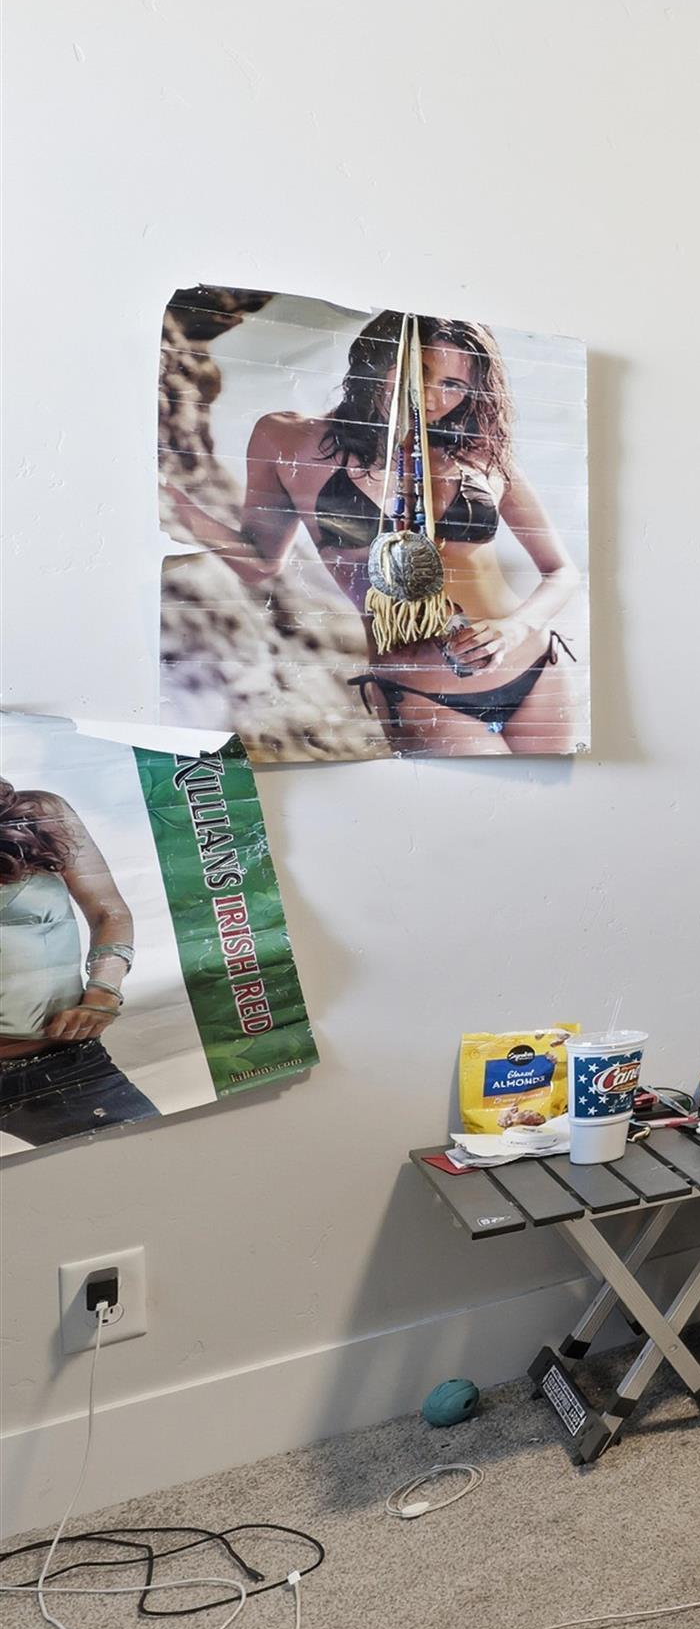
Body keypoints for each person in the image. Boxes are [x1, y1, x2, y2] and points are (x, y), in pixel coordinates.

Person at [166, 310, 582, 755]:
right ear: (376, 358)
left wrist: (514, 630)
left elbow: (561, 572)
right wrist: (171, 501)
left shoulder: (481, 456)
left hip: (535, 670)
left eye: (453, 385)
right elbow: (261, 560)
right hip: (422, 695)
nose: (429, 396)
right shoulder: (285, 439)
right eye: (417, 372)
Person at [0, 781, 155, 1147]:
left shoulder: (35, 812)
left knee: (152, 1162)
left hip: (53, 1063)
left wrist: (104, 992)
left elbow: (107, 911)